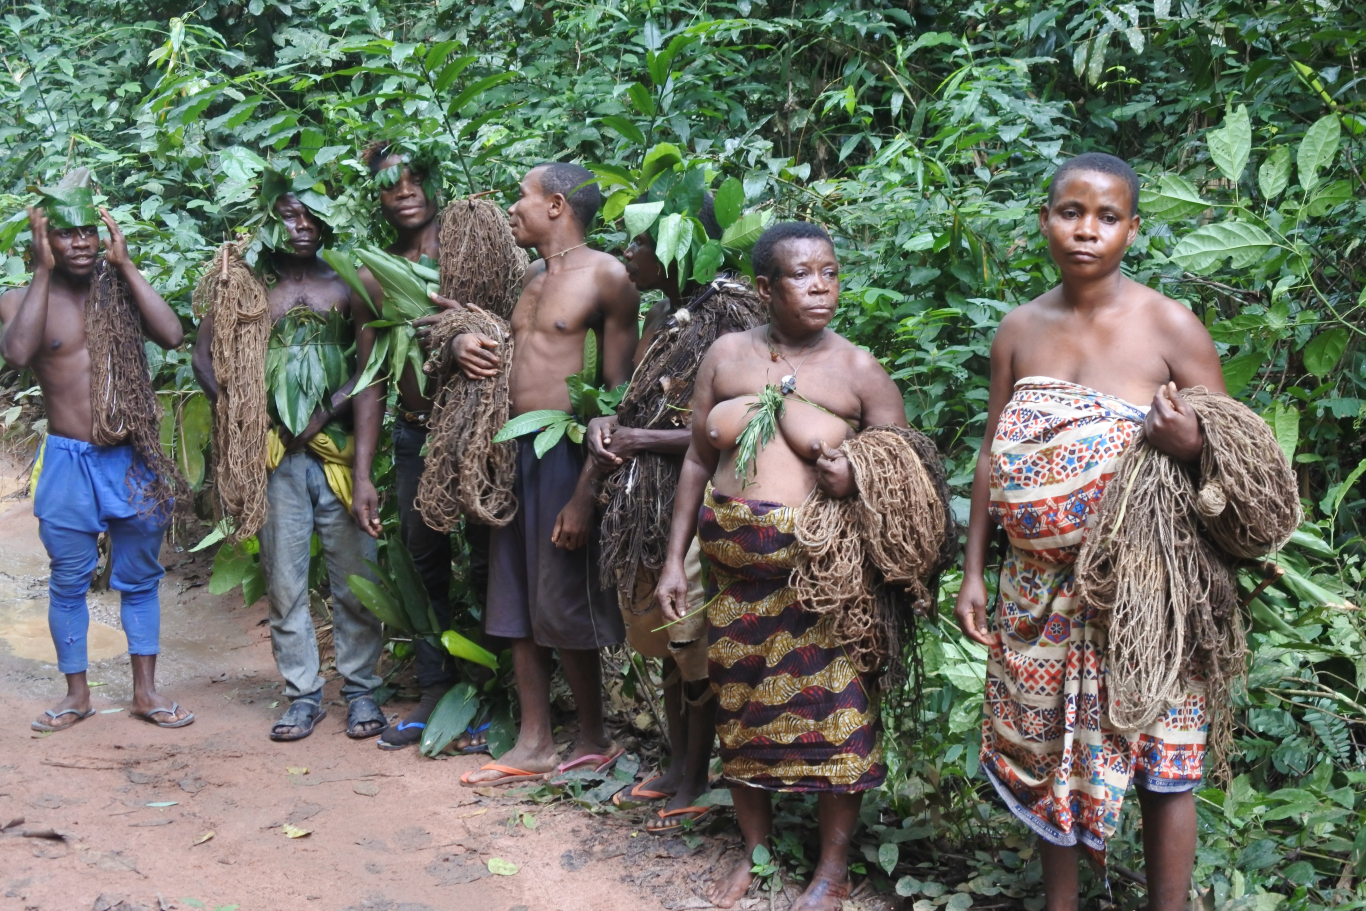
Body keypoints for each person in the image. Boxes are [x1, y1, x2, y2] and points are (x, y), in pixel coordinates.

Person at [953, 152, 1224, 911]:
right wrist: (975, 570)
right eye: (1071, 212)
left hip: (1150, 592)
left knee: (1162, 760)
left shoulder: (1170, 325)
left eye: (1107, 217)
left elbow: (1239, 456)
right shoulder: (1019, 330)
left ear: (1133, 230)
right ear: (1044, 220)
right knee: (1048, 752)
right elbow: (990, 455)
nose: (1086, 230)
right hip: (1036, 591)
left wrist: (1191, 444)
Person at [655, 222, 909, 911]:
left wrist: (853, 475)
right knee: (740, 707)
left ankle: (831, 868)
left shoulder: (858, 369)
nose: (820, 285)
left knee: (840, 712)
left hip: (822, 578)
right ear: (765, 287)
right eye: (801, 274)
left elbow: (907, 472)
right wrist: (674, 558)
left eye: (828, 271)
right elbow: (698, 459)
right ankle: (757, 851)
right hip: (735, 573)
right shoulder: (726, 354)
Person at [453, 162, 639, 786]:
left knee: (565, 594)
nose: (513, 208)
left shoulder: (609, 277)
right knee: (514, 598)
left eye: (523, 198)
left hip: (567, 455)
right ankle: (533, 742)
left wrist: (588, 492)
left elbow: (618, 398)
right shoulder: (532, 276)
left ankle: (593, 738)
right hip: (515, 453)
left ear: (557, 205)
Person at [588, 195, 765, 832]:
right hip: (648, 501)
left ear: (671, 248)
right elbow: (637, 407)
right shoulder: (664, 312)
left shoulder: (730, 318)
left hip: (696, 500)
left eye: (636, 243)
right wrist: (609, 427)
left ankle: (697, 774)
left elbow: (731, 428)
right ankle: (677, 765)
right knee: (668, 642)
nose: (626, 255)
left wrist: (639, 440)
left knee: (695, 644)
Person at [1, 170, 194, 732]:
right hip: (67, 461)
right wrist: (40, 272)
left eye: (88, 230)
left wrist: (128, 266)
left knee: (139, 578)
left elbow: (173, 335)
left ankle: (146, 692)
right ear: (43, 240)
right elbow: (16, 354)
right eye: (64, 233)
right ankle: (76, 695)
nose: (80, 242)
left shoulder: (119, 293)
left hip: (131, 457)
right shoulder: (19, 300)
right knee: (68, 578)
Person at [193, 190, 386, 742]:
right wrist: (244, 416)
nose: (301, 225)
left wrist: (323, 418)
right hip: (274, 457)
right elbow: (204, 357)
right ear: (268, 225)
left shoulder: (350, 281)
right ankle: (302, 695)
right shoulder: (247, 285)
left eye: (310, 215)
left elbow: (372, 371)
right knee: (285, 582)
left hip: (337, 454)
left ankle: (361, 691)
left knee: (356, 579)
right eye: (287, 216)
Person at [345, 143, 492, 752]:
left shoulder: (470, 251)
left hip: (480, 427)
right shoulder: (372, 275)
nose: (403, 191)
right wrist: (362, 473)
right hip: (414, 432)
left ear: (433, 184)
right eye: (388, 184)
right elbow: (371, 378)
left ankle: (492, 690)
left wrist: (463, 332)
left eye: (413, 179)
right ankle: (434, 689)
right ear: (375, 197)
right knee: (421, 559)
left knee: (489, 559)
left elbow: (510, 332)